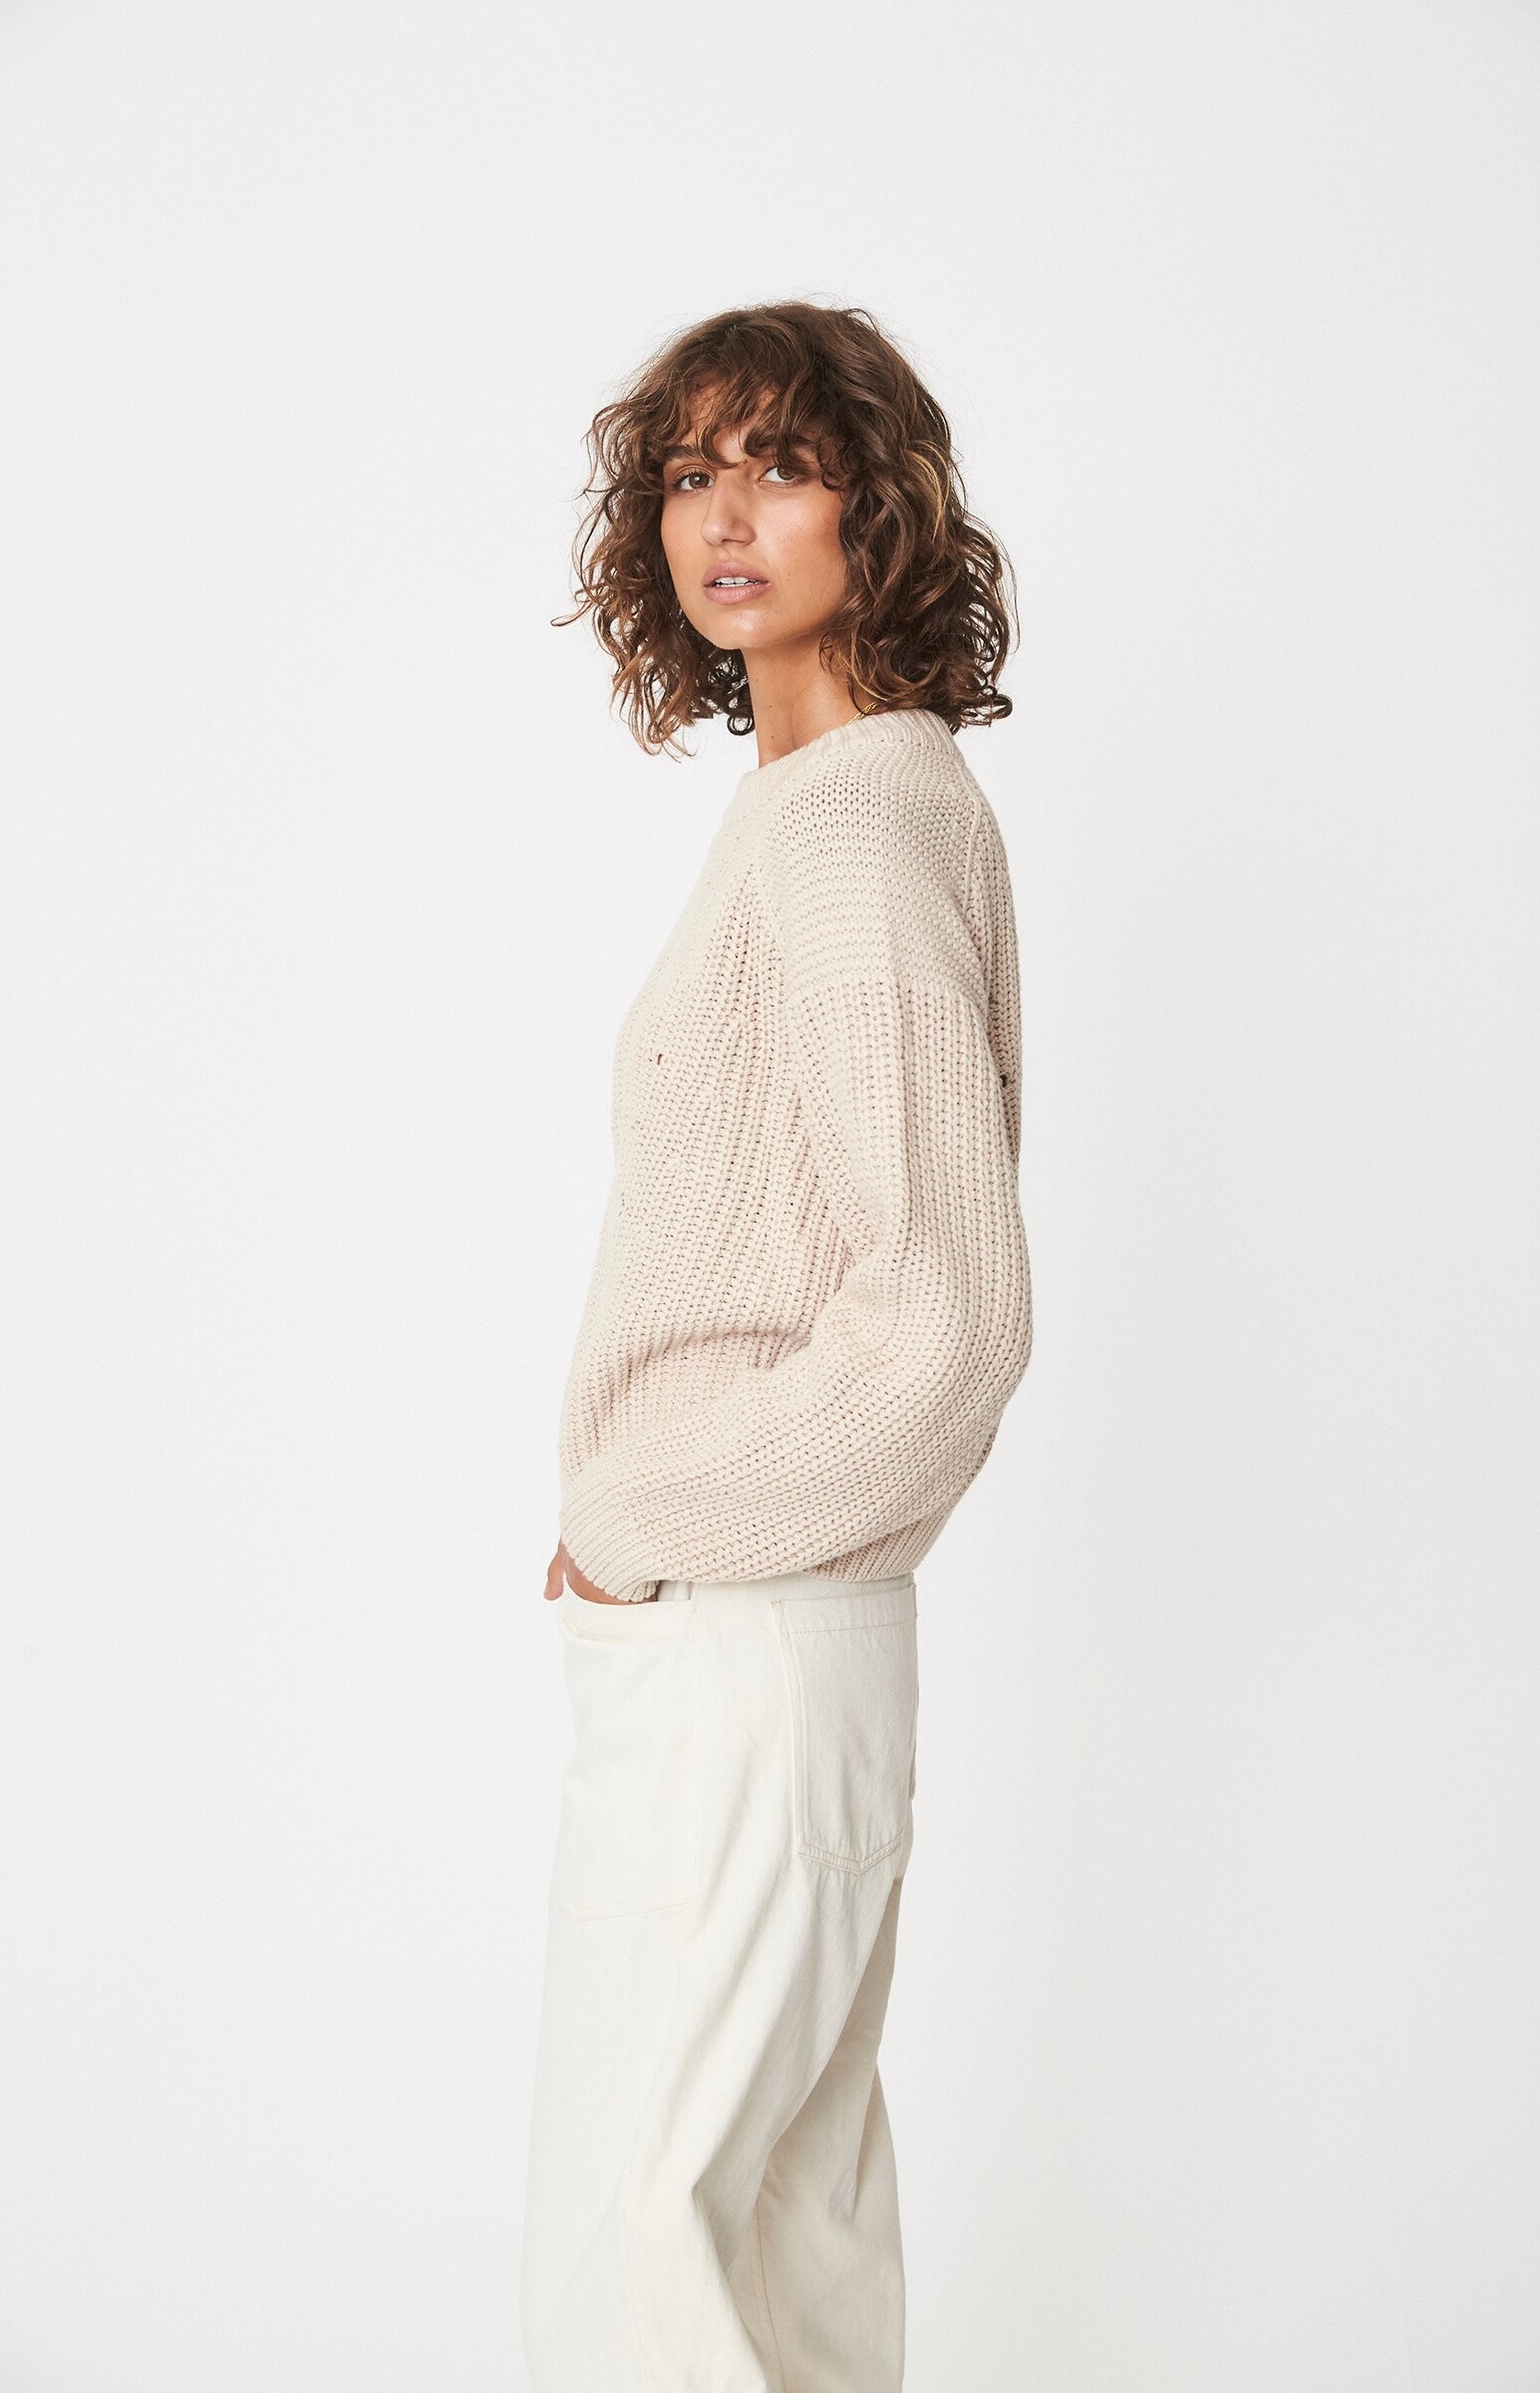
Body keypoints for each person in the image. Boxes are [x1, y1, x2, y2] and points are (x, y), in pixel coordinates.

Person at [519, 299, 1034, 2392]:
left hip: (743, 1643)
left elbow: (946, 1319)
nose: (723, 519)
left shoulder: (849, 827)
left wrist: (638, 1521)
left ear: (874, 507)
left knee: (644, 2264)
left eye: (782, 468)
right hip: (781, 1640)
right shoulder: (843, 802)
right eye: (687, 476)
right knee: (771, 2252)